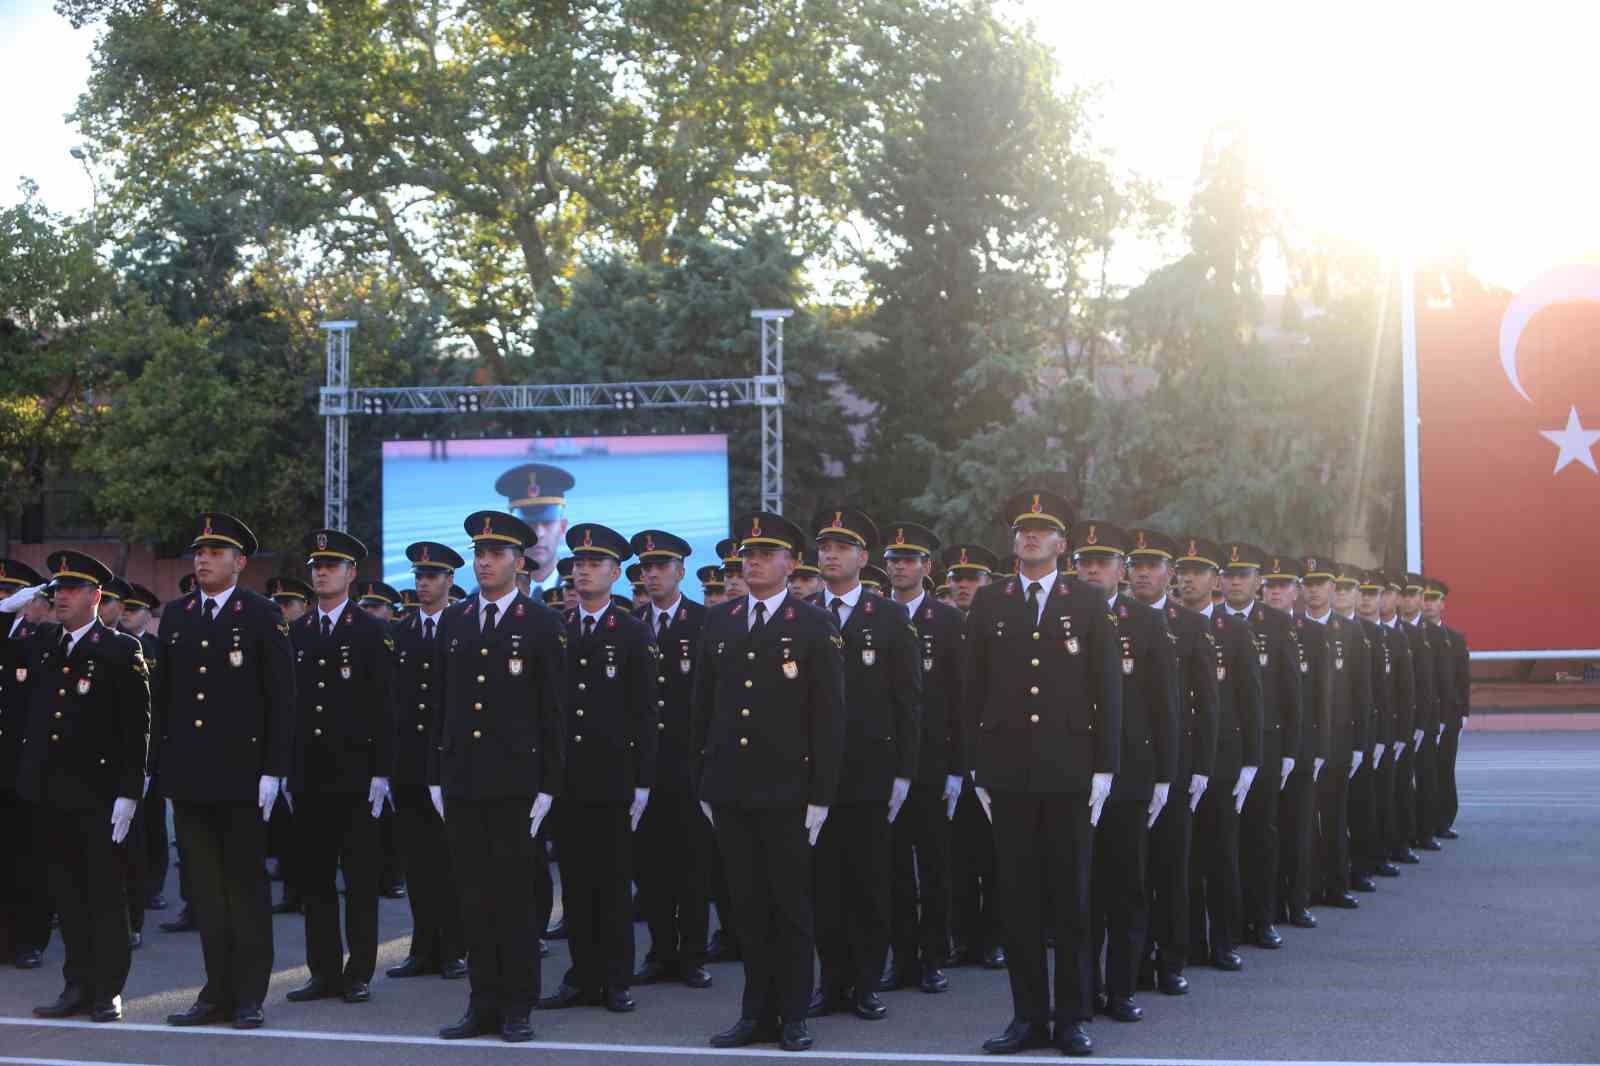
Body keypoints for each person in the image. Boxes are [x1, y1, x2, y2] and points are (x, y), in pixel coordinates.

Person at [966, 493, 1120, 1057]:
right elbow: (972, 690)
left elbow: (1108, 689)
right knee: (1019, 900)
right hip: (1007, 774)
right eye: (1023, 529)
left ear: (1063, 543)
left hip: (1069, 772)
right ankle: (1027, 1016)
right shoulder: (990, 602)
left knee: (1071, 900)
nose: (1030, 537)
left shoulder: (1088, 600)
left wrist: (1105, 765)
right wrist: (977, 765)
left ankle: (1073, 1017)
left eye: (1043, 530)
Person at [692, 511, 845, 1052]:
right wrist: (704, 782)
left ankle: (793, 1013)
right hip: (731, 788)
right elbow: (702, 710)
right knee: (747, 906)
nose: (751, 562)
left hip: (788, 791)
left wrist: (821, 795)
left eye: (763, 553)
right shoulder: (722, 621)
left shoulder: (812, 624)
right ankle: (754, 1011)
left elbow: (828, 718)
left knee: (789, 907)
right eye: (745, 555)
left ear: (790, 562)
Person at [155, 513, 295, 1031]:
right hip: (191, 775)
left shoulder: (260, 613)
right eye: (199, 550)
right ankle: (215, 991)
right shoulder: (177, 614)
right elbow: (166, 699)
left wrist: (273, 771)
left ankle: (248, 995)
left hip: (242, 775)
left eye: (215, 552)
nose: (203, 558)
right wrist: (160, 769)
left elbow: (281, 697)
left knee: (245, 889)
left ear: (239, 562)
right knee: (207, 892)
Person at [431, 511, 566, 1043]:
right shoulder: (457, 620)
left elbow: (553, 711)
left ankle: (517, 1005)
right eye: (478, 554)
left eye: (495, 554)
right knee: (473, 897)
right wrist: (437, 774)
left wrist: (549, 784)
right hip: (463, 778)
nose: (484, 562)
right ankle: (480, 1002)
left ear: (518, 561)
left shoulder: (541, 623)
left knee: (511, 899)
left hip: (516, 784)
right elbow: (441, 704)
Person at [8, 552, 149, 1023]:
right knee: (67, 895)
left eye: (71, 589)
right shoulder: (46, 642)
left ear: (95, 597)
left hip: (99, 796)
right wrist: (10, 606)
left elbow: (136, 730)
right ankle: (76, 984)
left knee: (104, 896)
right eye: (56, 589)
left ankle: (107, 991)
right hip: (52, 793)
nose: (60, 597)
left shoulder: (119, 649)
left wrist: (130, 794)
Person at [805, 508, 921, 1023]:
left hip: (870, 772)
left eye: (842, 546)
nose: (830, 554)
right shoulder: (801, 611)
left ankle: (866, 984)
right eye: (824, 546)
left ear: (863, 558)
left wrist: (903, 772)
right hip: (812, 775)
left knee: (869, 884)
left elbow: (907, 700)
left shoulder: (889, 616)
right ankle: (831, 981)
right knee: (823, 884)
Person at [540, 523, 658, 1014]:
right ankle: (580, 975)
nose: (582, 572)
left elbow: (646, 711)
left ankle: (615, 979)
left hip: (613, 779)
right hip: (566, 779)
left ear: (614, 573)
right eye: (577, 565)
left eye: (593, 564)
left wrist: (643, 781)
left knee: (611, 884)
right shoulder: (557, 629)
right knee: (577, 884)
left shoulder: (631, 631)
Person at [283, 529, 395, 1006]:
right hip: (310, 774)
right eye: (316, 565)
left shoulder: (370, 631)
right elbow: (288, 706)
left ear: (352, 574)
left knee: (361, 880)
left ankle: (359, 971)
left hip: (356, 775)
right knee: (315, 879)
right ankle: (323, 971)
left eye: (331, 565)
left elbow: (387, 707)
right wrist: (284, 769)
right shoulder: (298, 632)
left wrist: (381, 772)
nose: (321, 572)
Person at [1073, 522, 1178, 1026]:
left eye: (1103, 561)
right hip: (1072, 774)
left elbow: (1165, 705)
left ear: (1121, 569)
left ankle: (1120, 988)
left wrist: (1163, 775)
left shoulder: (1143, 621)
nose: (1093, 569)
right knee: (1080, 891)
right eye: (1084, 561)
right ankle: (1083, 989)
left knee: (1126, 888)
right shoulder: (1058, 618)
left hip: (1132, 775)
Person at [1126, 529, 1217, 995]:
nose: (1143, 572)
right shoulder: (1112, 620)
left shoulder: (1190, 625)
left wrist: (1201, 767)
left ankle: (1171, 961)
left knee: (1171, 868)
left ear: (1170, 573)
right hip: (1129, 767)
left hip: (1177, 766)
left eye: (1154, 565)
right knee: (1131, 873)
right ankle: (1134, 963)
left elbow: (1207, 702)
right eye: (1136, 565)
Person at [881, 522, 965, 996]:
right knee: (891, 868)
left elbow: (960, 700)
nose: (900, 566)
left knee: (934, 867)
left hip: (933, 765)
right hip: (887, 763)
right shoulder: (871, 613)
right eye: (893, 559)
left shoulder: (947, 620)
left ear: (927, 567)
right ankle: (902, 957)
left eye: (910, 559)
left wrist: (957, 767)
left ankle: (933, 957)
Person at [629, 530, 714, 990]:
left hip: (691, 765)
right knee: (652, 866)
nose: (654, 574)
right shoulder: (633, 624)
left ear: (681, 571)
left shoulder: (706, 623)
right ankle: (661, 952)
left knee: (693, 867)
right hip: (645, 767)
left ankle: (693, 955)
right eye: (647, 568)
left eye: (662, 566)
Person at [1175, 538, 1263, 974]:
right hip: (1179, 757)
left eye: (1199, 571)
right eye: (1183, 570)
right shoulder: (1166, 624)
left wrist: (1251, 760)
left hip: (1224, 758)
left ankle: (1225, 940)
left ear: (1215, 580)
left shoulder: (1234, 629)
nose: (1188, 578)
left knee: (1222, 854)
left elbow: (1251, 700)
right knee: (1183, 857)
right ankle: (1188, 942)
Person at [386, 542, 468, 981]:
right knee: (417, 861)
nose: (423, 584)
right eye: (419, 576)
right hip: (410, 765)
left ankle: (454, 947)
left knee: (450, 861)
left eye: (432, 576)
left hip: (450, 762)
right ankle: (423, 947)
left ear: (450, 581)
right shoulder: (401, 631)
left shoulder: (462, 626)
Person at [1223, 545, 1301, 949]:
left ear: (1258, 582)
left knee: (1261, 834)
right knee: (1224, 839)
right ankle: (1228, 922)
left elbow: (1291, 690)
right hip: (1222, 746)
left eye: (1243, 575)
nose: (1235, 581)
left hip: (1266, 744)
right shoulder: (1209, 621)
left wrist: (1289, 750)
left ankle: (1262, 917)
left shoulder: (1275, 622)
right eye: (1230, 574)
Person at [0, 559, 53, 970]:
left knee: (29, 858)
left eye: (15, 596)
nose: (10, 603)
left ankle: (29, 940)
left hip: (27, 767)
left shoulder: (43, 638)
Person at [1376, 572, 1420, 866]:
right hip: (1373, 727)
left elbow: (1412, 687)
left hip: (1397, 725)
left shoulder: (1409, 635)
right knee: (1376, 795)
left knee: (1399, 787)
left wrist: (1409, 728)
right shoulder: (1364, 633)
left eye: (1390, 592)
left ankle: (1400, 842)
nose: (1383, 598)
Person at [1399, 574, 1441, 853]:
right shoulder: (1397, 631)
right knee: (1401, 782)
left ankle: (1426, 830)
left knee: (1426, 775)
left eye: (1415, 594)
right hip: (1400, 717)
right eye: (1405, 594)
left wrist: (1429, 721)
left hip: (1423, 716)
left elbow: (1431, 682)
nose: (1409, 600)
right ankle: (1406, 832)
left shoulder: (1432, 634)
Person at [1424, 580, 1468, 840]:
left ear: (1443, 604)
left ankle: (1445, 819)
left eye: (1434, 599)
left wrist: (1464, 714)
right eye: (1425, 598)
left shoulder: (1455, 639)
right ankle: (1425, 821)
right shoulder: (1413, 635)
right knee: (1424, 771)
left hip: (1449, 715)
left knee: (1445, 767)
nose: (1429, 604)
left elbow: (1463, 679)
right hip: (1424, 716)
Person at [495, 462, 575, 592]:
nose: (538, 534)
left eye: (547, 523)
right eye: (528, 524)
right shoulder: (490, 596)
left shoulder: (584, 596)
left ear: (562, 527)